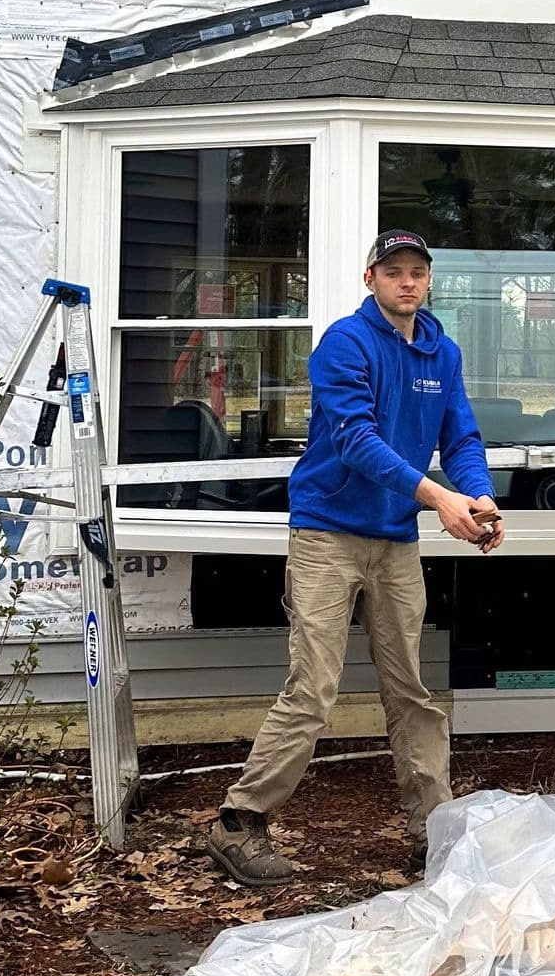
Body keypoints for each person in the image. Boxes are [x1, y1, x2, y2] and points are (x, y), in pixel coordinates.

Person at [206, 230, 504, 886]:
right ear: (370, 278)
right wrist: (438, 498)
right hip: (328, 534)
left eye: (417, 271)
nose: (407, 282)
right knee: (314, 688)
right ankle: (239, 821)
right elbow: (355, 440)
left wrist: (478, 495)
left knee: (411, 692)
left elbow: (461, 437)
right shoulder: (345, 342)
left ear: (429, 280)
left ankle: (435, 832)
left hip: (395, 540)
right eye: (393, 271)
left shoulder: (443, 352)